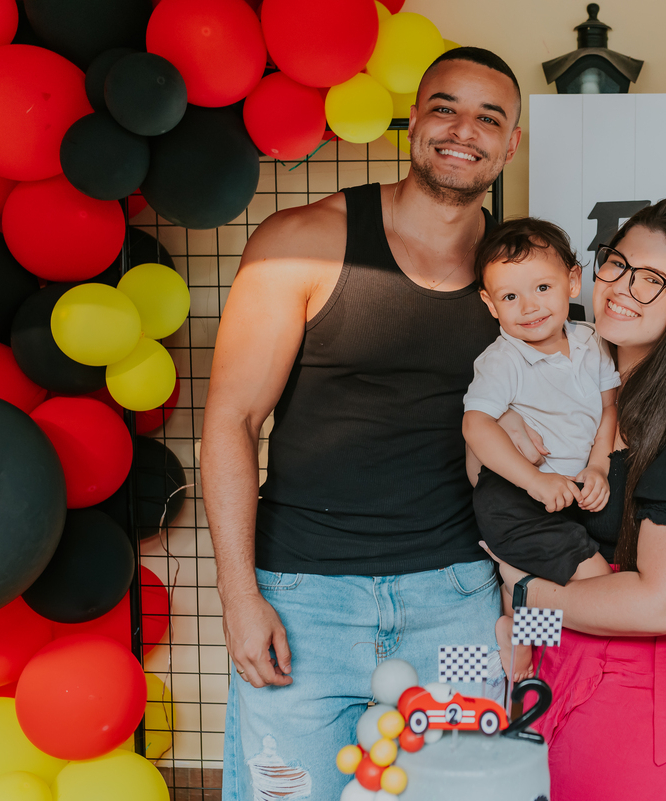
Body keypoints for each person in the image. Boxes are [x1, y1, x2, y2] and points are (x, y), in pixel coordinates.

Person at [201, 47, 522, 800]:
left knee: (461, 792)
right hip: (302, 603)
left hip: (458, 602)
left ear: (511, 147)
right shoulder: (301, 240)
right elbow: (231, 421)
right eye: (444, 107)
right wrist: (240, 598)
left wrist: (519, 613)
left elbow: (548, 446)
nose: (462, 130)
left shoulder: (520, 277)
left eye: (488, 118)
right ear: (414, 121)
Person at [484, 197, 666, 798]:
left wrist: (528, 593)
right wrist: (505, 428)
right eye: (617, 264)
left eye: (654, 281)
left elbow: (664, 604)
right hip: (575, 648)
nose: (622, 289)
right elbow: (480, 459)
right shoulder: (577, 356)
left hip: (664, 678)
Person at [463, 217, 619, 679]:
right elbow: (476, 425)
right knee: (595, 578)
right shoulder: (503, 359)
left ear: (573, 281)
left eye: (543, 288)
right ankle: (537, 652)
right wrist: (533, 480)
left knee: (543, 575)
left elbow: (610, 408)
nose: (529, 307)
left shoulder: (592, 341)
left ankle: (520, 643)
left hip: (561, 493)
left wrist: (599, 468)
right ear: (490, 305)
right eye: (510, 297)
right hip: (514, 497)